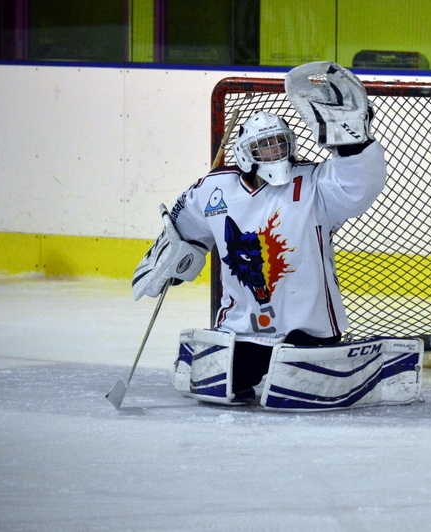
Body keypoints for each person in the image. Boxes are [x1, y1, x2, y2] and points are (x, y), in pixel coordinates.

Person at [132, 63, 386, 404]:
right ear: (244, 153)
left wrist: (352, 144)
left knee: (297, 401)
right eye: (265, 147)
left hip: (309, 330)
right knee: (216, 391)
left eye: (280, 145)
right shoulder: (214, 189)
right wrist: (170, 260)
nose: (275, 154)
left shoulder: (313, 183)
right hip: (242, 330)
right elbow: (184, 226)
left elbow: (358, 188)